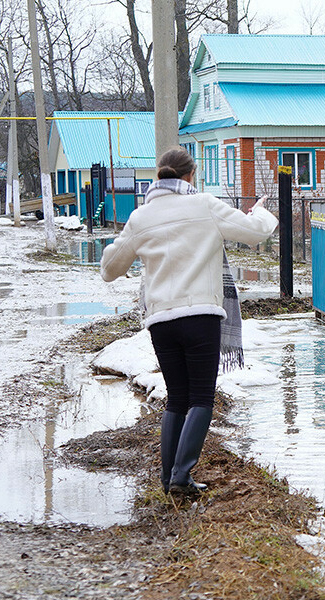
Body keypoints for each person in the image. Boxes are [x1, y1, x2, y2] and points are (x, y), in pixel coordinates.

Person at [100, 147, 278, 495]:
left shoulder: (140, 217)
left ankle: (169, 477)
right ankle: (182, 476)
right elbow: (256, 232)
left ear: (159, 176)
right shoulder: (204, 206)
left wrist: (126, 242)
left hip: (161, 321)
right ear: (190, 177)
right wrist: (259, 211)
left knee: (177, 398)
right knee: (201, 398)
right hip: (200, 316)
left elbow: (109, 269)